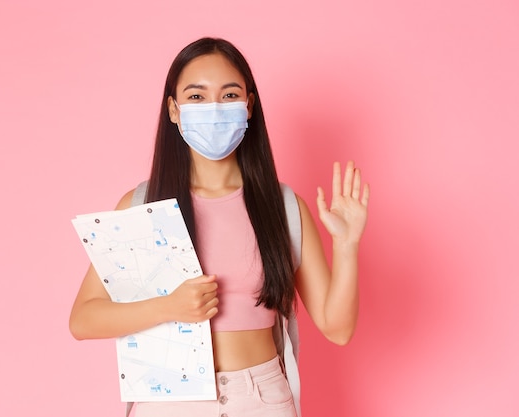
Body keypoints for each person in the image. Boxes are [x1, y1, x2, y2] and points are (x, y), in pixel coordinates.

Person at [69, 37, 370, 417]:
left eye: (229, 95)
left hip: (263, 400)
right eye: (197, 97)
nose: (214, 108)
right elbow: (83, 319)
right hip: (169, 404)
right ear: (174, 110)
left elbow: (337, 328)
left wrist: (346, 245)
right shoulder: (143, 206)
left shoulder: (283, 206)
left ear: (249, 106)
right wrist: (168, 307)